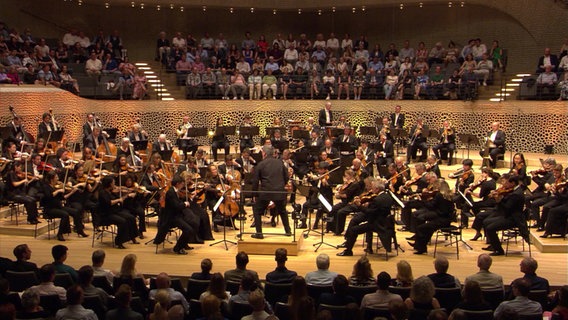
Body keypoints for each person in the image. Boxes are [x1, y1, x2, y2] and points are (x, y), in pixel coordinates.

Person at [337, 180, 394, 256]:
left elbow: (369, 212)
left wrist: (359, 206)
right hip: (385, 222)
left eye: (373, 188)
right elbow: (374, 210)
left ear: (377, 189)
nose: (371, 190)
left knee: (353, 229)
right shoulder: (387, 196)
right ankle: (355, 246)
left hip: (377, 224)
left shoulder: (377, 200)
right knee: (356, 220)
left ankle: (348, 251)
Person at [251, 145, 291, 239]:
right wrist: (281, 186)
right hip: (279, 192)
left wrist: (254, 195)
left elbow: (256, 181)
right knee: (282, 211)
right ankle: (288, 231)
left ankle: (259, 233)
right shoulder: (280, 163)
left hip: (266, 192)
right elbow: (286, 177)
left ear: (264, 153)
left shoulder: (260, 164)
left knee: (257, 211)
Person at [483, 175, 528, 256]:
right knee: (486, 222)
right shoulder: (515, 191)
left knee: (490, 228)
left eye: (508, 183)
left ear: (513, 183)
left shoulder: (516, 194)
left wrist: (499, 200)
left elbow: (507, 208)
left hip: (513, 219)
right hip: (509, 215)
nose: (505, 185)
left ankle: (499, 250)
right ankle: (494, 245)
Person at [154, 176, 194, 255]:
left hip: (176, 216)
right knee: (188, 230)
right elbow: (176, 206)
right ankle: (178, 248)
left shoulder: (174, 191)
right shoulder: (171, 192)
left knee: (192, 223)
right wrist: (185, 204)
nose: (183, 185)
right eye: (182, 184)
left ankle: (183, 245)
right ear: (177, 184)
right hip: (171, 218)